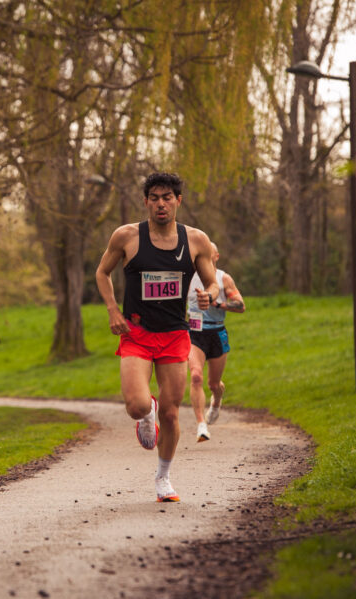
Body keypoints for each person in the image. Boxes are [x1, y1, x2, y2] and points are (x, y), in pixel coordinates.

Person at [95, 172, 219, 503]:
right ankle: (145, 413)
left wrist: (209, 294)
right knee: (136, 406)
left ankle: (163, 478)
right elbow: (102, 272)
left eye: (167, 197)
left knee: (172, 412)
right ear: (146, 201)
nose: (160, 203)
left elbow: (213, 282)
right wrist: (112, 310)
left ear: (179, 201)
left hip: (175, 334)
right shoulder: (127, 236)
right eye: (154, 197)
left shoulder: (195, 240)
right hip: (136, 332)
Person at [186, 243, 246, 442]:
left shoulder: (223, 278)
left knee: (213, 384)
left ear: (216, 256)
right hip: (194, 332)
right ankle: (201, 424)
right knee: (195, 377)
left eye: (207, 254)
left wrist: (218, 303)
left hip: (217, 332)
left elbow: (240, 306)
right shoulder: (188, 276)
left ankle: (217, 400)